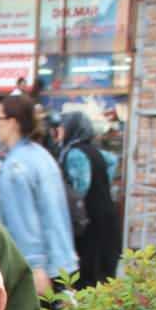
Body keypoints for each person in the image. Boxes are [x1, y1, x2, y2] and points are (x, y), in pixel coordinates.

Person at [0, 93, 78, 295]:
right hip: (62, 261)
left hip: (38, 270)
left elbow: (23, 222)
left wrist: (34, 266)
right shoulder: (40, 155)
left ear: (12, 122)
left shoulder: (16, 166)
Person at [58, 111, 122, 288]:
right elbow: (112, 160)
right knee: (105, 276)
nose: (59, 132)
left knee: (87, 277)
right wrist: (103, 182)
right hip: (106, 218)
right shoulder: (95, 151)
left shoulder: (74, 153)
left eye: (62, 128)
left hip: (89, 223)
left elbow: (80, 189)